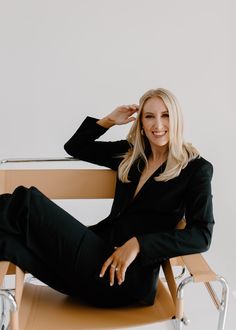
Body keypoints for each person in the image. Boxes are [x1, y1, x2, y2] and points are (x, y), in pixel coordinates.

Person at [0, 88, 214, 308]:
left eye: (166, 115)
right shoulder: (132, 155)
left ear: (177, 118)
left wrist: (139, 244)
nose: (158, 125)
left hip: (125, 279)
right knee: (8, 242)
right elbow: (76, 147)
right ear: (140, 122)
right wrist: (109, 120)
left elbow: (202, 235)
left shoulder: (195, 169)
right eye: (149, 116)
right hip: (91, 264)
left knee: (27, 202)